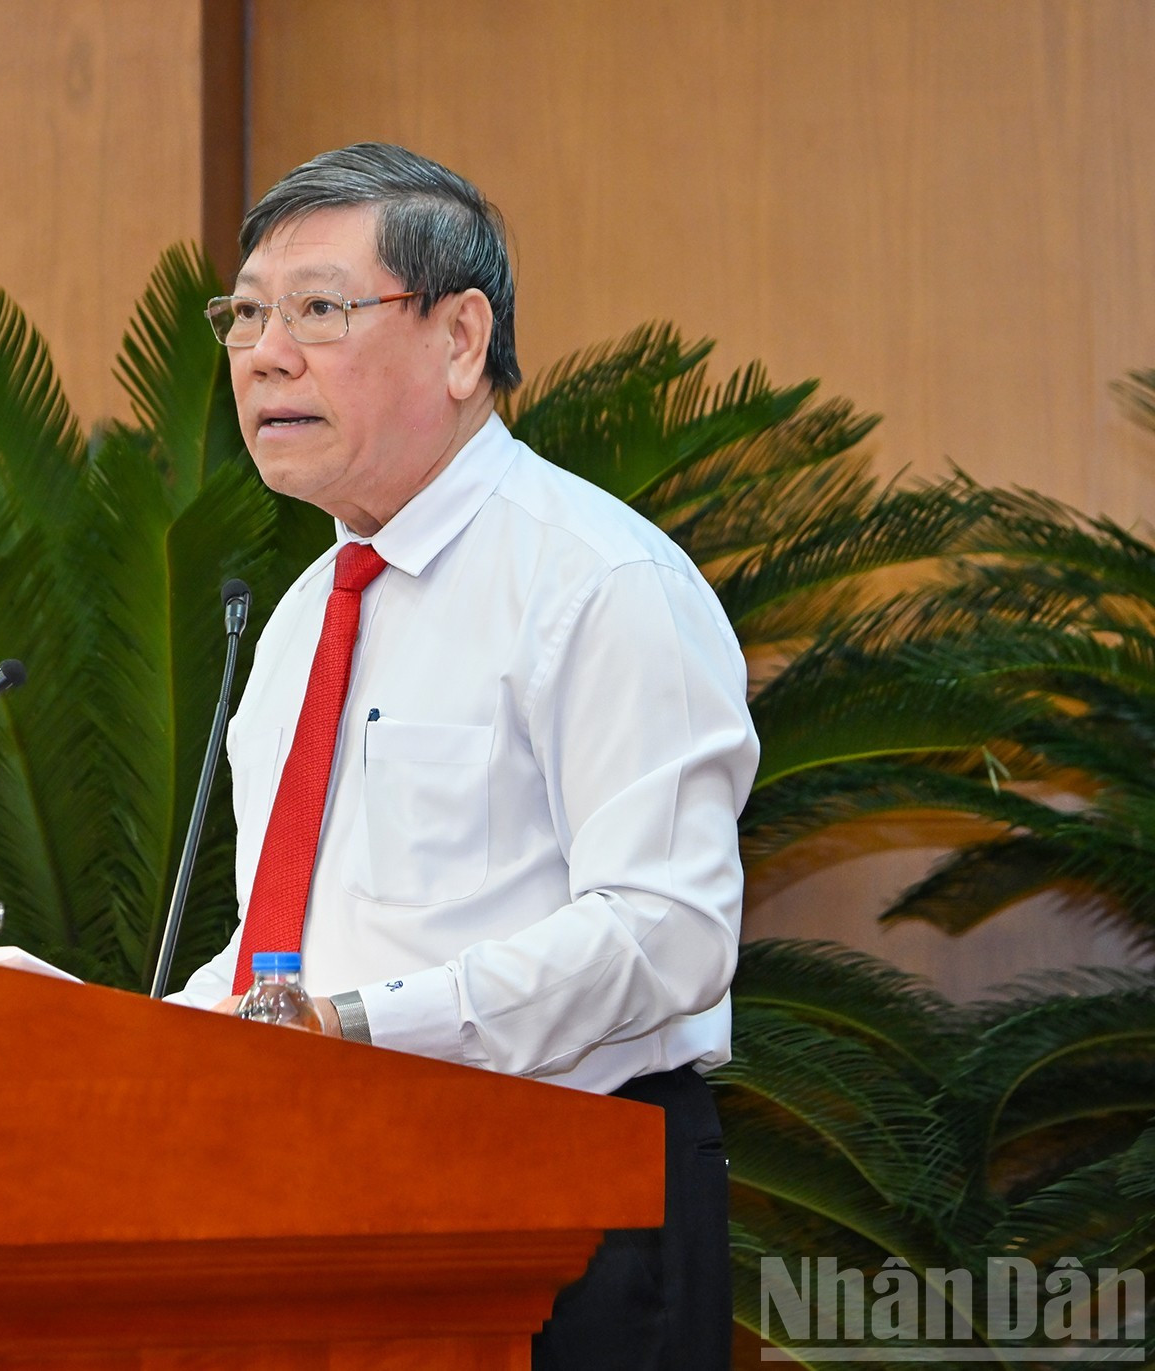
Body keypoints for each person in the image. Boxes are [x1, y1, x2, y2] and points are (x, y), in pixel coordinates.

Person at [166, 143, 759, 1371]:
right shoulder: (300, 621)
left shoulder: (598, 581)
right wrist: (132, 1048)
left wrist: (367, 1030)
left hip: (566, 1214)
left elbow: (665, 928)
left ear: (459, 337)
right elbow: (297, 946)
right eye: (247, 315)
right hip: (320, 1207)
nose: (266, 352)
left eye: (320, 310)